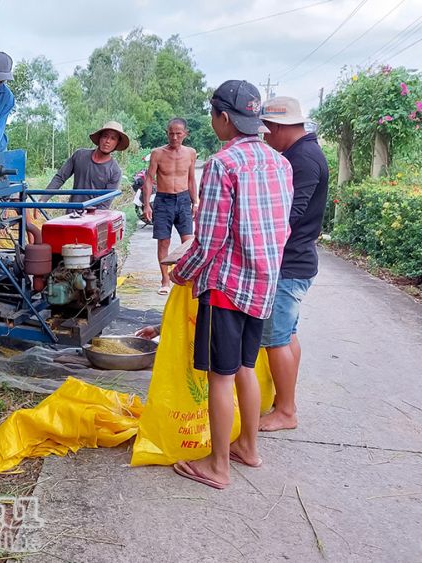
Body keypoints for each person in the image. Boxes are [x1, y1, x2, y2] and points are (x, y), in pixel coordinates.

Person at [169, 80, 293, 490]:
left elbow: (210, 240)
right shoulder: (280, 162)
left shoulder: (224, 164)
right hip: (262, 286)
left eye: (212, 114)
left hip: (225, 287)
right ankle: (248, 448)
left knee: (220, 376)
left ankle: (218, 466)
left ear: (223, 117)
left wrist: (181, 272)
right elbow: (282, 228)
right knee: (245, 367)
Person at [258, 96, 329, 432]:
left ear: (278, 127)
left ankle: (286, 412)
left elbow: (289, 215)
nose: (265, 139)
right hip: (296, 262)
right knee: (287, 335)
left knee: (276, 339)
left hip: (290, 264)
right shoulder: (300, 154)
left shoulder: (304, 159)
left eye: (266, 132)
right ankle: (285, 402)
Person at [142, 118, 198, 295]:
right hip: (163, 200)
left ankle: (185, 277)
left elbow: (191, 179)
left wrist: (195, 201)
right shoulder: (157, 153)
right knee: (163, 241)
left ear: (185, 134)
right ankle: (165, 280)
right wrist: (146, 205)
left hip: (183, 200)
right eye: (171, 133)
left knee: (188, 242)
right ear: (167, 133)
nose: (174, 137)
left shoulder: (190, 153)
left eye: (178, 133)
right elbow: (149, 179)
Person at [40, 121, 128, 209]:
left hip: (93, 218)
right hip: (72, 214)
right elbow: (60, 178)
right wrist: (43, 199)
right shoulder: (79, 156)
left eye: (113, 138)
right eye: (105, 136)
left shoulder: (115, 171)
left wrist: (90, 217)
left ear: (117, 143)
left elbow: (104, 205)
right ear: (100, 138)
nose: (108, 141)